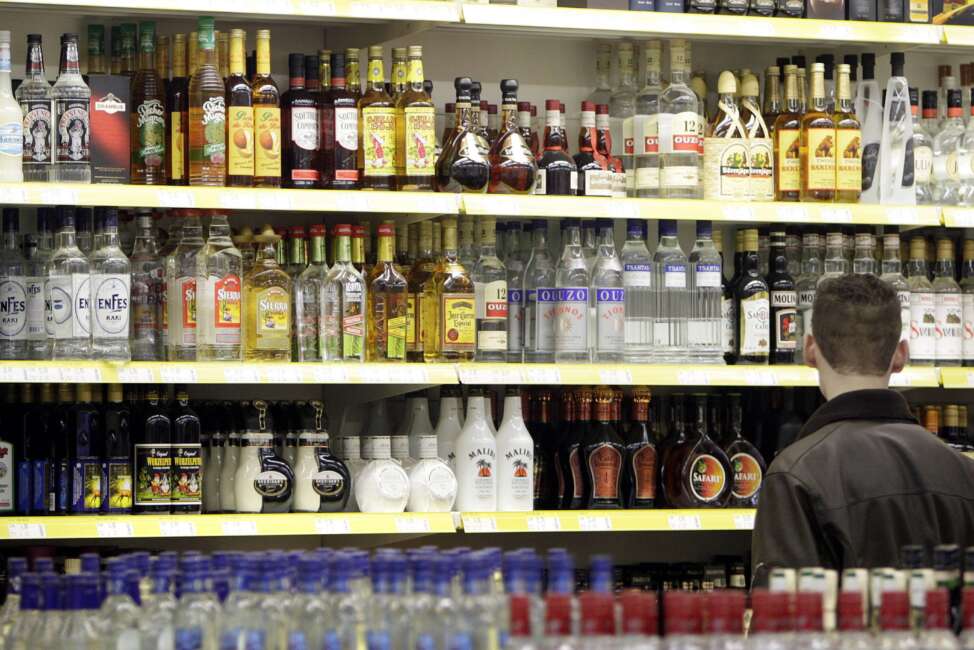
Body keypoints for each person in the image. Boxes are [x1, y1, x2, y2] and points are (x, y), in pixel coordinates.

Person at [751, 273, 974, 583]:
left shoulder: (795, 475)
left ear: (810, 350)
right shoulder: (963, 472)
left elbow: (786, 620)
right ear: (901, 355)